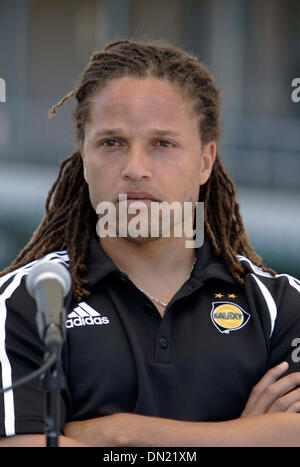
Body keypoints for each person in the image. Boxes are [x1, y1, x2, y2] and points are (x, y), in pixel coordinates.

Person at [1, 39, 300, 447]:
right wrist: (246, 437)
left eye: (163, 143)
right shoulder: (25, 303)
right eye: (112, 143)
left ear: (205, 161)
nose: (135, 168)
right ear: (84, 158)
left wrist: (121, 434)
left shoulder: (282, 306)